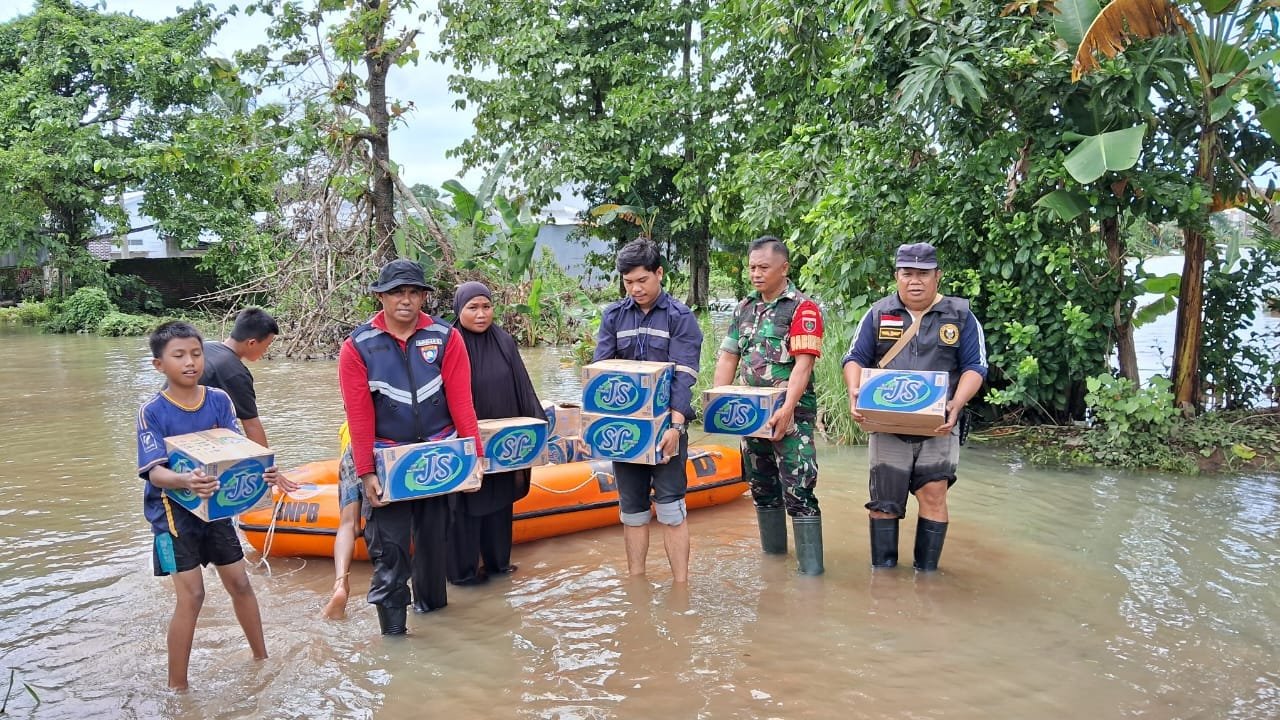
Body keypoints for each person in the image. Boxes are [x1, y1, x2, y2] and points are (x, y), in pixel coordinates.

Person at [136, 321, 296, 690]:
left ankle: (262, 661)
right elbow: (155, 473)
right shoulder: (152, 412)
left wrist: (265, 472)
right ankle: (178, 689)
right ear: (159, 365)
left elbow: (235, 452)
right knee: (192, 596)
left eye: (195, 353)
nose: (189, 362)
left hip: (216, 506)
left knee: (240, 583)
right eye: (178, 356)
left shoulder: (219, 400)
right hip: (172, 514)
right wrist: (185, 480)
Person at [337, 258, 483, 635]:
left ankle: (434, 630)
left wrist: (474, 457)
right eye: (397, 292)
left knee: (434, 548)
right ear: (381, 297)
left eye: (414, 292)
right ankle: (395, 640)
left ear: (423, 297)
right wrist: (366, 471)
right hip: (387, 461)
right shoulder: (358, 347)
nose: (406, 300)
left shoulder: (446, 338)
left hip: (437, 459)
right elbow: (359, 415)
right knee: (389, 553)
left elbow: (461, 401)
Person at [841, 242, 988, 571]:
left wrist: (957, 403)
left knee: (934, 494)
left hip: (939, 425)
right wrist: (855, 390)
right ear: (897, 276)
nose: (915, 281)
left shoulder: (961, 316)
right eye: (908, 273)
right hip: (887, 426)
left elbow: (975, 367)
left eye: (923, 273)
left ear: (938, 275)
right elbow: (854, 358)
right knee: (883, 504)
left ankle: (927, 575)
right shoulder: (879, 313)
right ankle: (884, 576)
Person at [712, 236, 825, 575]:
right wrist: (720, 400)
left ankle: (810, 576)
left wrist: (788, 409)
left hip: (792, 414)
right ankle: (774, 567)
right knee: (761, 487)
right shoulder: (746, 307)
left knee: (799, 488)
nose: (756, 274)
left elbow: (803, 365)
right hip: (751, 415)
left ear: (784, 268)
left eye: (764, 268)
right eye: (752, 268)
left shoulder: (802, 309)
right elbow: (729, 356)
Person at [593, 238, 703, 583]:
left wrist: (676, 427)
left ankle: (681, 586)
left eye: (642, 280)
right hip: (625, 431)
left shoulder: (680, 318)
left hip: (667, 427)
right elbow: (602, 374)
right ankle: (636, 585)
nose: (636, 289)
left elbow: (684, 374)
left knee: (671, 508)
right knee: (633, 511)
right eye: (628, 283)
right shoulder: (613, 316)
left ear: (659, 273)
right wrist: (594, 426)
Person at [446, 282, 545, 585]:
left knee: (500, 504)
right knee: (463, 507)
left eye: (486, 307)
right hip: (463, 444)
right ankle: (462, 572)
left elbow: (523, 387)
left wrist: (540, 430)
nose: (481, 314)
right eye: (472, 308)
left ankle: (498, 565)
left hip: (503, 446)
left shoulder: (503, 340)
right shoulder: (448, 343)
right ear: (458, 310)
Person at [199, 307, 280, 448]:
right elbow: (252, 426)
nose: (266, 351)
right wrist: (268, 466)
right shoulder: (235, 373)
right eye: (266, 346)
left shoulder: (205, 347)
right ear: (252, 343)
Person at [320, 426, 360, 620]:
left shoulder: (346, 427)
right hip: (384, 446)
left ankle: (341, 582)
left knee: (348, 524)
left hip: (353, 450)